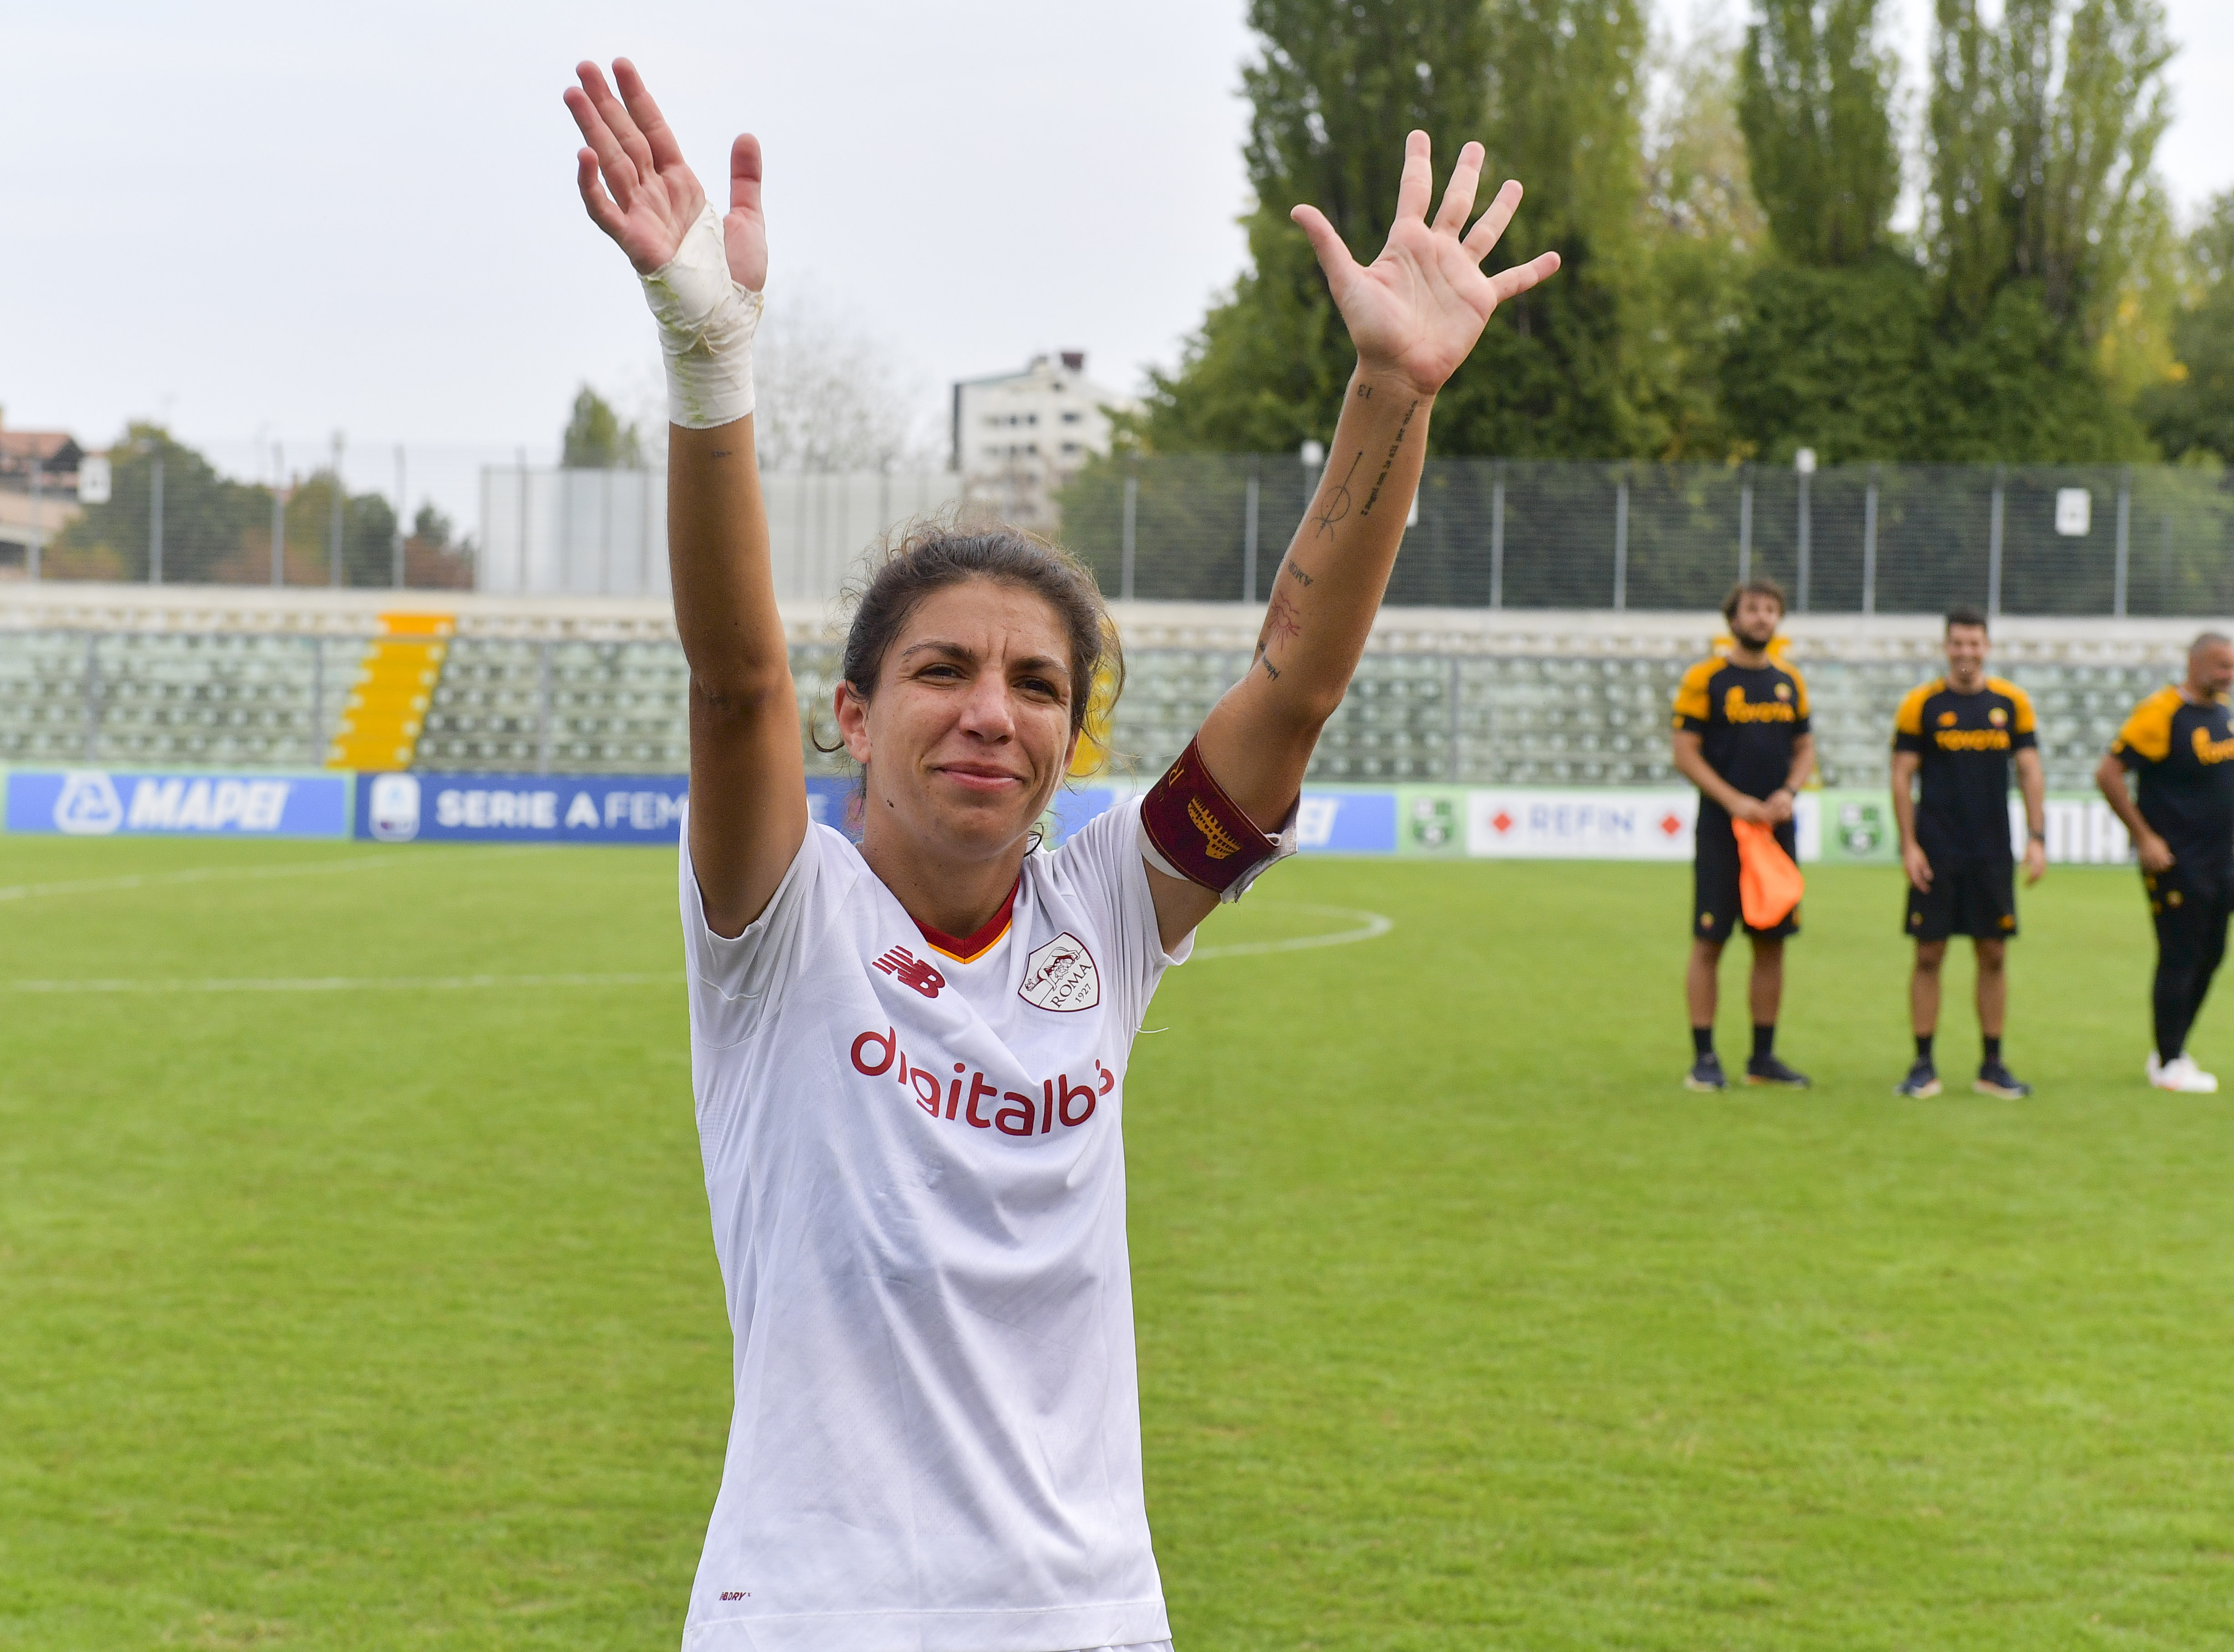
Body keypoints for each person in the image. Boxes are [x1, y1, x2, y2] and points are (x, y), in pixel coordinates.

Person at [562, 57, 1559, 1652]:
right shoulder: (776, 915)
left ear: (1070, 735)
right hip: (811, 1614)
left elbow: (1292, 683)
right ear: (854, 712)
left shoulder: (1109, 903)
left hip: (1081, 1614)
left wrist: (1390, 394)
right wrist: (707, 353)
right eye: (942, 671)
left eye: (1036, 685)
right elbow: (730, 671)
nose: (990, 714)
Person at [1887, 605, 2045, 1099]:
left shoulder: (2010, 704)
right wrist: (1908, 844)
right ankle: (1921, 1064)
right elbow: (1900, 775)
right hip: (1936, 850)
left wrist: (2036, 838)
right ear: (1945, 647)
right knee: (1928, 953)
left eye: (1974, 643)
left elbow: (2029, 771)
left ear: (1986, 647)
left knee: (1993, 953)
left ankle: (1991, 1065)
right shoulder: (1921, 705)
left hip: (1990, 851)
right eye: (1957, 643)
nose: (1965, 652)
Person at [1672, 578, 1816, 1091]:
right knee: (1709, 940)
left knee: (1771, 944)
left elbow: (1804, 749)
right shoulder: (1706, 679)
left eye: (1770, 609)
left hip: (1775, 833)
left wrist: (1788, 792)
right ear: (1732, 618)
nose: (1761, 617)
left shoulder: (1789, 682)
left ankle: (1762, 1057)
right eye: (1752, 609)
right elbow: (1683, 751)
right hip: (1720, 832)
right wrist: (1732, 800)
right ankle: (1704, 1057)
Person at [2095, 631, 2234, 1093]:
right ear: (2194, 664)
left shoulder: (2224, 716)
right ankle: (2169, 1061)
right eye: (2220, 665)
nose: (2228, 673)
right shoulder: (2160, 713)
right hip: (2176, 860)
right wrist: (2143, 837)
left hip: (2221, 859)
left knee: (2211, 955)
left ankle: (2170, 1048)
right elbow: (2108, 773)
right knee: (2178, 955)